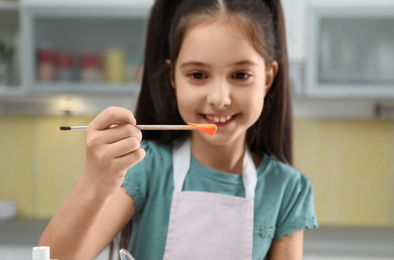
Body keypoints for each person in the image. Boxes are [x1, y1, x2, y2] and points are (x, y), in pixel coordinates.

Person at [38, 0, 318, 259]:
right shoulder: (143, 167)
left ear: (268, 78)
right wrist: (94, 181)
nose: (219, 98)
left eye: (240, 75)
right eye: (198, 75)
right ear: (173, 77)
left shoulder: (288, 191)